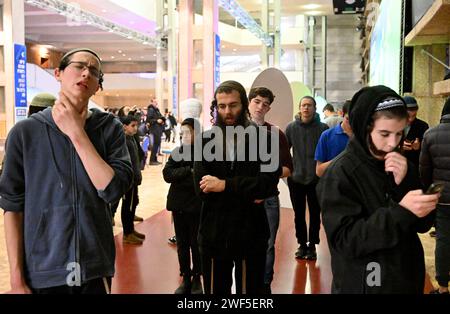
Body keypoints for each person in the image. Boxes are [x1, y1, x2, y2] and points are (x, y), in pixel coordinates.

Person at [0, 48, 133, 294]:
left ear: (97, 87)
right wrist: (16, 280)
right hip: (44, 269)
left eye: (94, 72)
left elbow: (112, 189)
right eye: (79, 66)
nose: (86, 74)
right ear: (58, 73)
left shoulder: (110, 129)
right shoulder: (25, 133)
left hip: (95, 266)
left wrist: (76, 133)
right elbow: (12, 207)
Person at [317, 85, 438, 294]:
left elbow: (423, 224)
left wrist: (409, 183)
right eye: (384, 133)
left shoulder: (400, 164)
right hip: (366, 284)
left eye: (399, 134)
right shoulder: (340, 174)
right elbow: (346, 241)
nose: (392, 143)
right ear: (365, 128)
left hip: (405, 281)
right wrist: (401, 212)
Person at [193, 80, 280, 294]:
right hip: (214, 234)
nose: (227, 111)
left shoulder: (265, 140)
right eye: (222, 106)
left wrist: (223, 185)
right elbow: (201, 189)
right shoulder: (204, 142)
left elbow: (267, 185)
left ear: (244, 105)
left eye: (233, 105)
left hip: (251, 235)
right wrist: (247, 191)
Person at [247, 87, 293, 294]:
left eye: (265, 104)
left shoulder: (276, 134)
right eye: (257, 101)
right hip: (240, 198)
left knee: (267, 244)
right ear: (249, 102)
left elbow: (287, 169)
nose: (260, 107)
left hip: (268, 198)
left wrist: (265, 177)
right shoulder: (232, 132)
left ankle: (264, 286)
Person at [163, 118, 203, 294]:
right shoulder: (178, 152)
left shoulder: (205, 153)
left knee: (197, 244)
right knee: (182, 244)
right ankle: (185, 277)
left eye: (188, 132)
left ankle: (197, 278)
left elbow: (202, 178)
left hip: (197, 207)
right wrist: (189, 171)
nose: (184, 136)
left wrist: (184, 176)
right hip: (178, 206)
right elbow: (167, 174)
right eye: (182, 133)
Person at [285, 96, 328, 260]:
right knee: (298, 214)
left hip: (316, 179)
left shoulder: (323, 129)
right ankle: (302, 244)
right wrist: (289, 169)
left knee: (315, 213)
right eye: (303, 105)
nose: (306, 108)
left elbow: (326, 153)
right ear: (299, 108)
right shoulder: (291, 128)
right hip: (296, 179)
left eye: (309, 105)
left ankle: (312, 245)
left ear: (315, 108)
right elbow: (285, 152)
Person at [419, 97, 450, 294]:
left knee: (444, 240)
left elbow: (424, 171)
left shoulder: (430, 134)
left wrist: (429, 192)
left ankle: (443, 287)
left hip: (443, 198)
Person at [119, 115, 145, 245]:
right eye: (132, 126)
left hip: (134, 179)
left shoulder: (131, 139)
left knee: (133, 203)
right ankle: (127, 233)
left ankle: (131, 230)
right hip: (128, 180)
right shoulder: (123, 140)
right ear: (124, 126)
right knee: (127, 206)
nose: (135, 128)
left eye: (136, 125)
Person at [315, 100, 352, 177]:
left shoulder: (364, 136)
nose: (352, 123)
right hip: (333, 184)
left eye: (356, 119)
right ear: (342, 114)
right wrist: (342, 158)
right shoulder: (327, 135)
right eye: (348, 119)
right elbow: (319, 171)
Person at [402, 96, 429, 170]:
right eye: (408, 116)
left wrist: (419, 147)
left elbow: (427, 151)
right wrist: (399, 147)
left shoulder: (423, 126)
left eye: (413, 115)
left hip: (414, 167)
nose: (410, 119)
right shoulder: (394, 124)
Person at [146, 99, 165, 165]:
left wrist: (162, 120)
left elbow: (160, 117)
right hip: (155, 129)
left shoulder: (156, 110)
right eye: (155, 102)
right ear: (151, 102)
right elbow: (149, 120)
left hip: (158, 129)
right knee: (155, 145)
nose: (156, 103)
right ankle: (152, 160)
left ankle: (155, 159)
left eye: (157, 102)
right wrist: (157, 121)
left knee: (157, 145)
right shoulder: (151, 109)